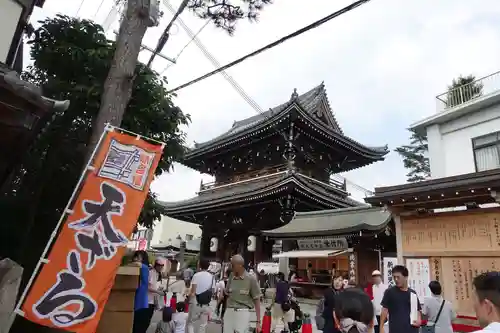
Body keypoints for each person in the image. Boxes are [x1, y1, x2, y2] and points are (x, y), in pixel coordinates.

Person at [223, 254, 262, 333]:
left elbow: (257, 301)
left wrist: (258, 322)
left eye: (233, 265)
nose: (231, 267)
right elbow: (227, 295)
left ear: (240, 265)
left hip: (242, 312)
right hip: (229, 312)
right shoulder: (231, 276)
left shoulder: (251, 279)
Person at [380, 265, 421, 333]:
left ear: (406, 277)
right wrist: (381, 328)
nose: (396, 279)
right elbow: (384, 310)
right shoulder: (389, 292)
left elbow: (418, 310)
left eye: (398, 277)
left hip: (412, 330)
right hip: (396, 329)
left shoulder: (412, 293)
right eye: (394, 277)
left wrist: (419, 320)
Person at [186, 258, 214, 333]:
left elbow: (193, 292)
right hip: (206, 303)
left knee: (191, 322)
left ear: (200, 265)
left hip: (196, 302)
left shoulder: (196, 275)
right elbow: (213, 291)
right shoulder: (212, 277)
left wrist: (187, 299)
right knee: (203, 324)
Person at [133, 250, 152, 333]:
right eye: (135, 256)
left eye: (138, 257)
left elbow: (137, 264)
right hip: (138, 302)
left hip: (141, 304)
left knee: (138, 327)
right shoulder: (139, 270)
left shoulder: (144, 267)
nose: (136, 258)